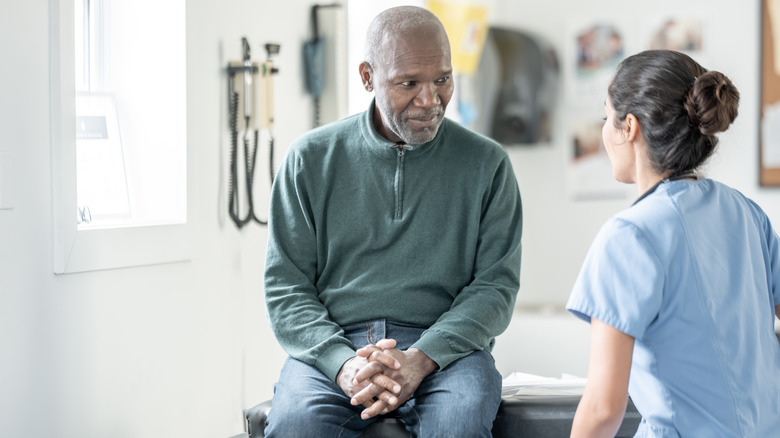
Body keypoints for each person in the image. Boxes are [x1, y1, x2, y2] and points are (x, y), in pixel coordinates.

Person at [263, 6, 523, 437]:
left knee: (459, 422)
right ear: (367, 77)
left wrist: (421, 358)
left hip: (446, 351)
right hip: (336, 342)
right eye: (409, 84)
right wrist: (342, 363)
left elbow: (496, 288)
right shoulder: (308, 159)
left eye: (442, 79)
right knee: (296, 424)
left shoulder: (488, 164)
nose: (430, 99)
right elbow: (286, 288)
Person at [566, 49, 780, 437]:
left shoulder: (629, 236)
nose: (604, 131)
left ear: (629, 126)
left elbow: (602, 410)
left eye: (606, 118)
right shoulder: (747, 213)